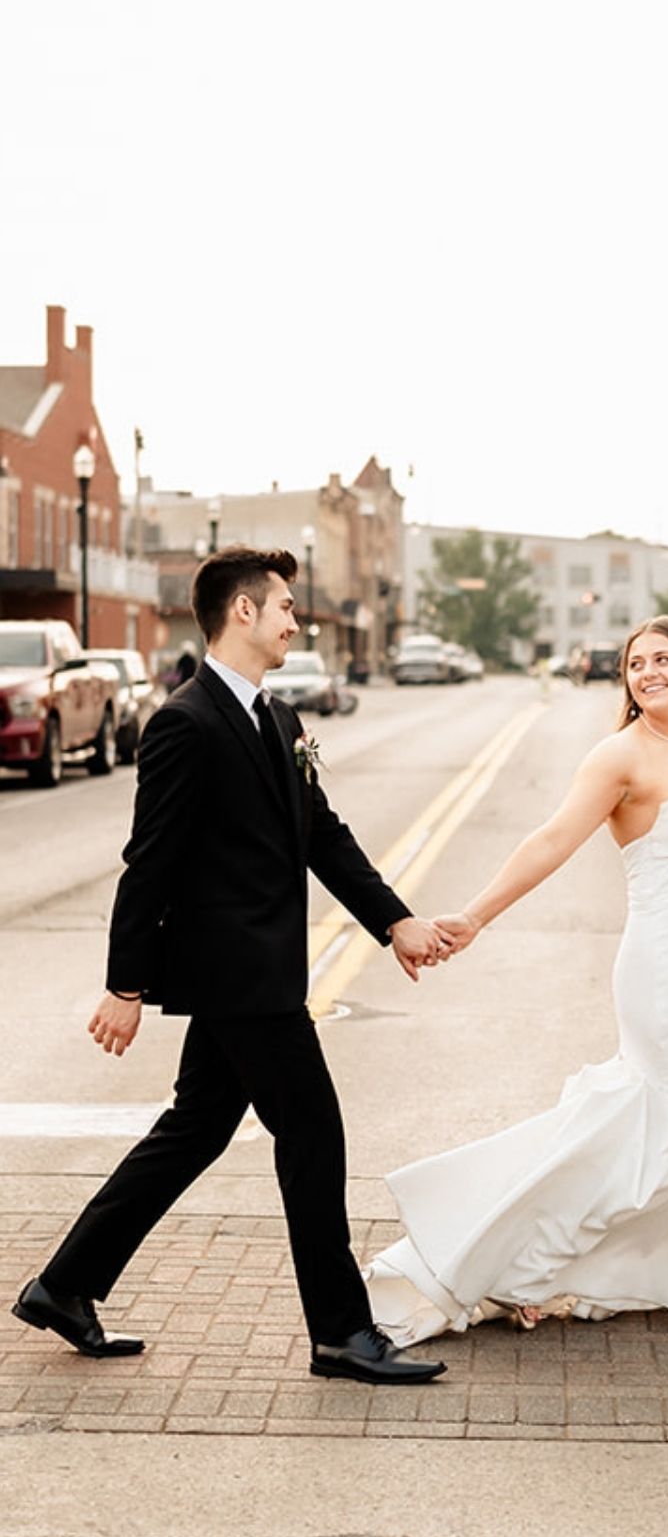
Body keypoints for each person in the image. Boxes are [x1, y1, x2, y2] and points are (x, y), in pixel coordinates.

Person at [12, 547, 448, 1387]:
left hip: (256, 974)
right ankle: (341, 1332)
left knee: (194, 1131)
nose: (296, 620)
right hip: (238, 978)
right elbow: (151, 862)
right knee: (313, 1133)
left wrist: (394, 921)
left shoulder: (276, 720)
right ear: (242, 613)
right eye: (284, 606)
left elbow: (322, 834)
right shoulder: (185, 722)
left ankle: (65, 1287)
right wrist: (125, 986)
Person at [364, 614, 668, 1343]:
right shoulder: (618, 757)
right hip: (662, 966)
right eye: (636, 664)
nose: (648, 673)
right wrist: (476, 917)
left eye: (663, 659)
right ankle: (524, 1265)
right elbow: (551, 841)